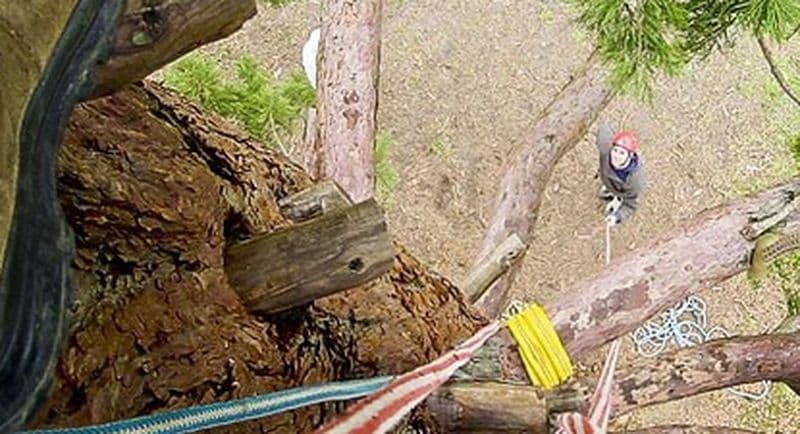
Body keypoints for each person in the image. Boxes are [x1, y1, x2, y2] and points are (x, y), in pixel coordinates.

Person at [594, 123, 647, 226]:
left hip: (619, 187)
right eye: (615, 151)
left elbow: (630, 204)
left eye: (622, 153)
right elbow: (605, 128)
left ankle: (614, 196)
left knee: (617, 192)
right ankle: (607, 189)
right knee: (607, 181)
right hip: (607, 177)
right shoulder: (606, 149)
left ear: (630, 156)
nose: (616, 156)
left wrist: (617, 217)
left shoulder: (635, 181)